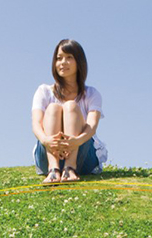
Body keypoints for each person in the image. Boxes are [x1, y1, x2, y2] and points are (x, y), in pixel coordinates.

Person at [31, 39, 108, 184]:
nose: (62, 62)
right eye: (59, 58)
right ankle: (53, 170)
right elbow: (36, 123)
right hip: (48, 153)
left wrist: (75, 141)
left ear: (79, 62)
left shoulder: (91, 94)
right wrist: (46, 140)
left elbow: (92, 126)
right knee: (53, 108)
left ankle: (70, 167)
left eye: (69, 58)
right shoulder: (44, 91)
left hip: (82, 155)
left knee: (71, 106)